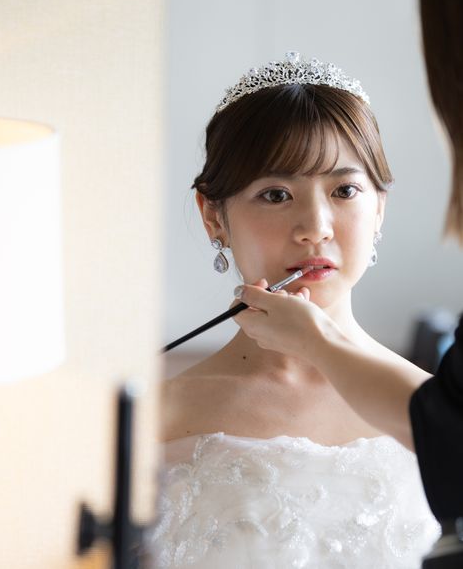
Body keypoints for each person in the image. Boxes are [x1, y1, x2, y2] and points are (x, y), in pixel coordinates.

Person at [150, 52, 440, 569]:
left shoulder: (436, 408)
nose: (315, 227)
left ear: (379, 208)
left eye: (345, 190)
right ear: (213, 215)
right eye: (276, 194)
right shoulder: (155, 415)